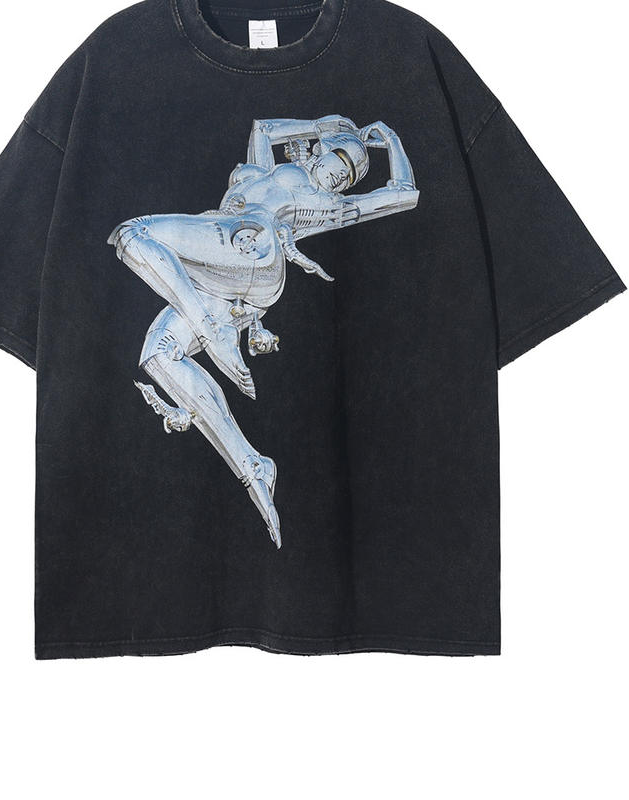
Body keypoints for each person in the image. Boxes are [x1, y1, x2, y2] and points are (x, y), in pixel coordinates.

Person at [108, 114, 419, 547]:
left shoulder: (328, 205)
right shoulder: (263, 172)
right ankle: (253, 464)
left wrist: (393, 139)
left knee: (133, 233)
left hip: (255, 250)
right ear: (324, 151)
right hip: (220, 277)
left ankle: (210, 330)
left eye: (350, 177)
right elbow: (264, 130)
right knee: (159, 354)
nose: (342, 175)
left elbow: (404, 194)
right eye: (342, 160)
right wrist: (319, 125)